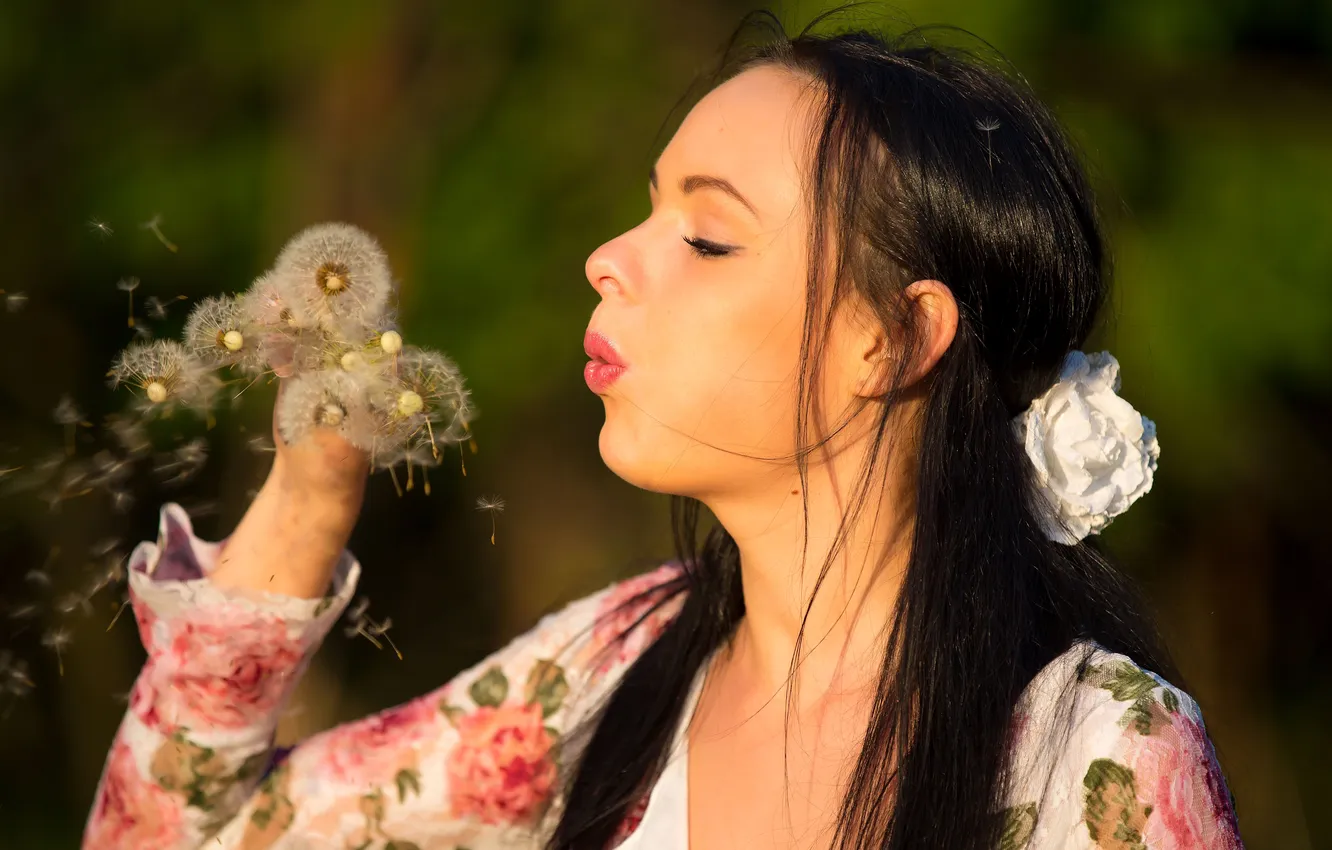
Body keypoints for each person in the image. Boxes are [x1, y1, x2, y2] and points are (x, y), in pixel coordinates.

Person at [83, 11, 1244, 850]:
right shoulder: (610, 675)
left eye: (707, 237)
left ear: (890, 339)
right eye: (648, 208)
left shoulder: (1098, 756)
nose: (608, 258)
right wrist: (310, 492)